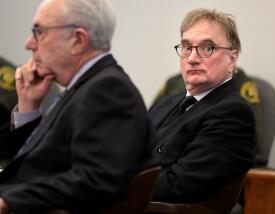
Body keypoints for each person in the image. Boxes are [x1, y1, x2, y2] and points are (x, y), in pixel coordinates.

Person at [0, 0, 158, 213]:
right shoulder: (86, 87)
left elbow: (96, 179)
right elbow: (33, 166)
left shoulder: (108, 90)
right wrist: (28, 105)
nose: (29, 43)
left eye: (39, 32)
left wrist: (10, 200)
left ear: (78, 40)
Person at [149, 8, 255, 203]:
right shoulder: (166, 104)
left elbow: (178, 185)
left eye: (207, 48)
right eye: (187, 47)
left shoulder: (232, 114)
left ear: (232, 60)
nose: (192, 58)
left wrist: (114, 182)